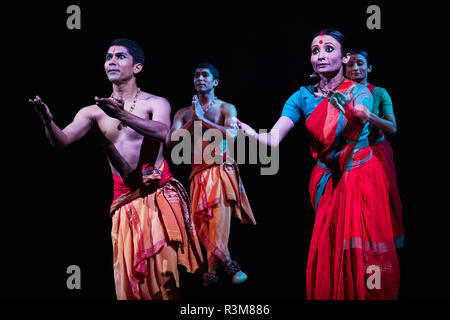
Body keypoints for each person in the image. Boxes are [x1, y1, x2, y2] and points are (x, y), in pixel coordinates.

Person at [29, 38, 203, 300]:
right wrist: (47, 120)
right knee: (129, 280)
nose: (111, 61)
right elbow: (62, 141)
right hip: (124, 201)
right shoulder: (93, 112)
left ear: (137, 68)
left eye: (120, 56)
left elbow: (163, 132)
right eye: (108, 57)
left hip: (157, 197)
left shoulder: (155, 102)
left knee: (164, 279)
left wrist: (123, 116)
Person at [236, 30, 400, 299]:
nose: (321, 55)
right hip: (327, 183)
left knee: (363, 250)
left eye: (328, 49)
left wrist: (351, 111)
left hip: (360, 178)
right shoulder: (300, 97)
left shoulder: (360, 92)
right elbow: (273, 140)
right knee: (330, 249)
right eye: (315, 51)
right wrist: (249, 132)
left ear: (345, 56)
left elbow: (358, 122)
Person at [167, 63, 256, 286]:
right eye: (196, 75)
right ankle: (221, 268)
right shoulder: (183, 113)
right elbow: (170, 140)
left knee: (217, 222)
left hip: (220, 171)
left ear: (215, 82)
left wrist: (202, 120)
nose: (200, 79)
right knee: (200, 223)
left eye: (205, 75)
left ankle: (217, 270)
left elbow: (232, 135)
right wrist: (192, 120)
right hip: (197, 173)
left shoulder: (226, 108)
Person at [346, 49, 404, 248]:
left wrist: (368, 115)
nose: (355, 68)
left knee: (380, 202)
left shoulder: (379, 93)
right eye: (350, 64)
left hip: (376, 153)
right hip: (349, 156)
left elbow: (392, 128)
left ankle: (381, 249)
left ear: (368, 67)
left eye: (360, 63)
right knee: (353, 205)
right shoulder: (341, 92)